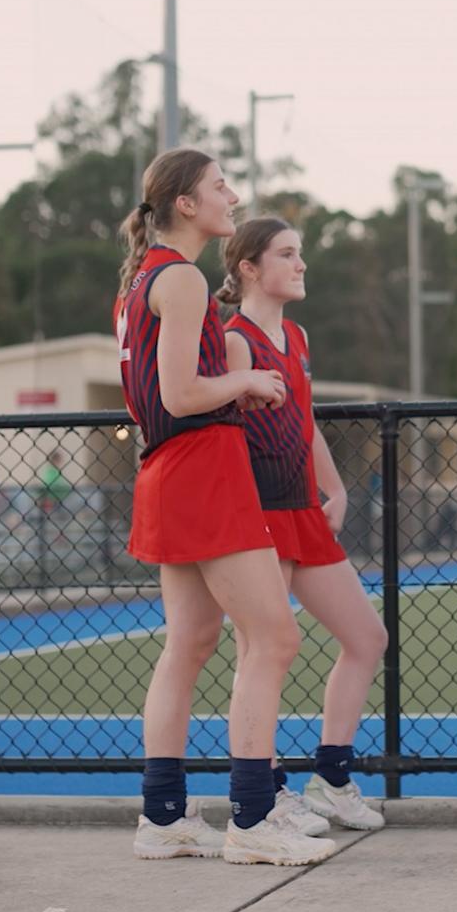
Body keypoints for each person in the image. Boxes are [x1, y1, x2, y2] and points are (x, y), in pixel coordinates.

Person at [117, 149, 334, 867]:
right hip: (201, 469)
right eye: (218, 186)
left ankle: (164, 818)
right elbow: (182, 394)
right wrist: (249, 377)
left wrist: (238, 378)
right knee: (274, 639)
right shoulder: (178, 277)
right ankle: (251, 820)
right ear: (184, 203)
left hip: (167, 470)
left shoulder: (145, 279)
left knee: (190, 645)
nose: (231, 195)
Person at [220, 216, 390, 834]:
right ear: (248, 268)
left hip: (301, 510)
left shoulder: (298, 336)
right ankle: (264, 792)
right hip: (257, 513)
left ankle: (332, 778)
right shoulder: (234, 340)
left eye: (301, 254)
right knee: (261, 650)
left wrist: (336, 486)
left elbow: (304, 421)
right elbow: (222, 435)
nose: (301, 265)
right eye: (287, 254)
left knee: (367, 637)